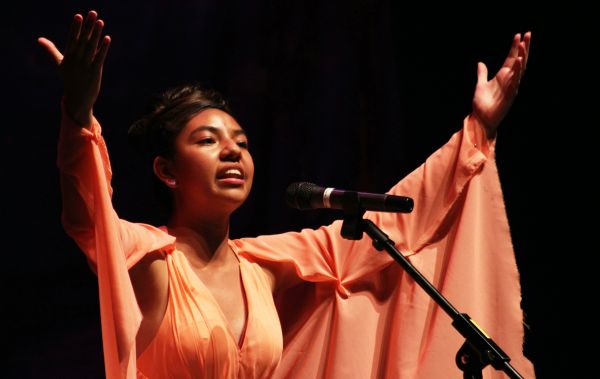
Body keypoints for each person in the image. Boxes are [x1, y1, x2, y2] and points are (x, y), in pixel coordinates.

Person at [39, 10, 534, 379]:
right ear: (167, 170)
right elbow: (88, 215)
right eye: (208, 141)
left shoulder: (266, 264)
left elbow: (394, 227)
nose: (233, 153)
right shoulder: (145, 257)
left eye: (242, 144)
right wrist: (78, 115)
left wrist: (476, 130)